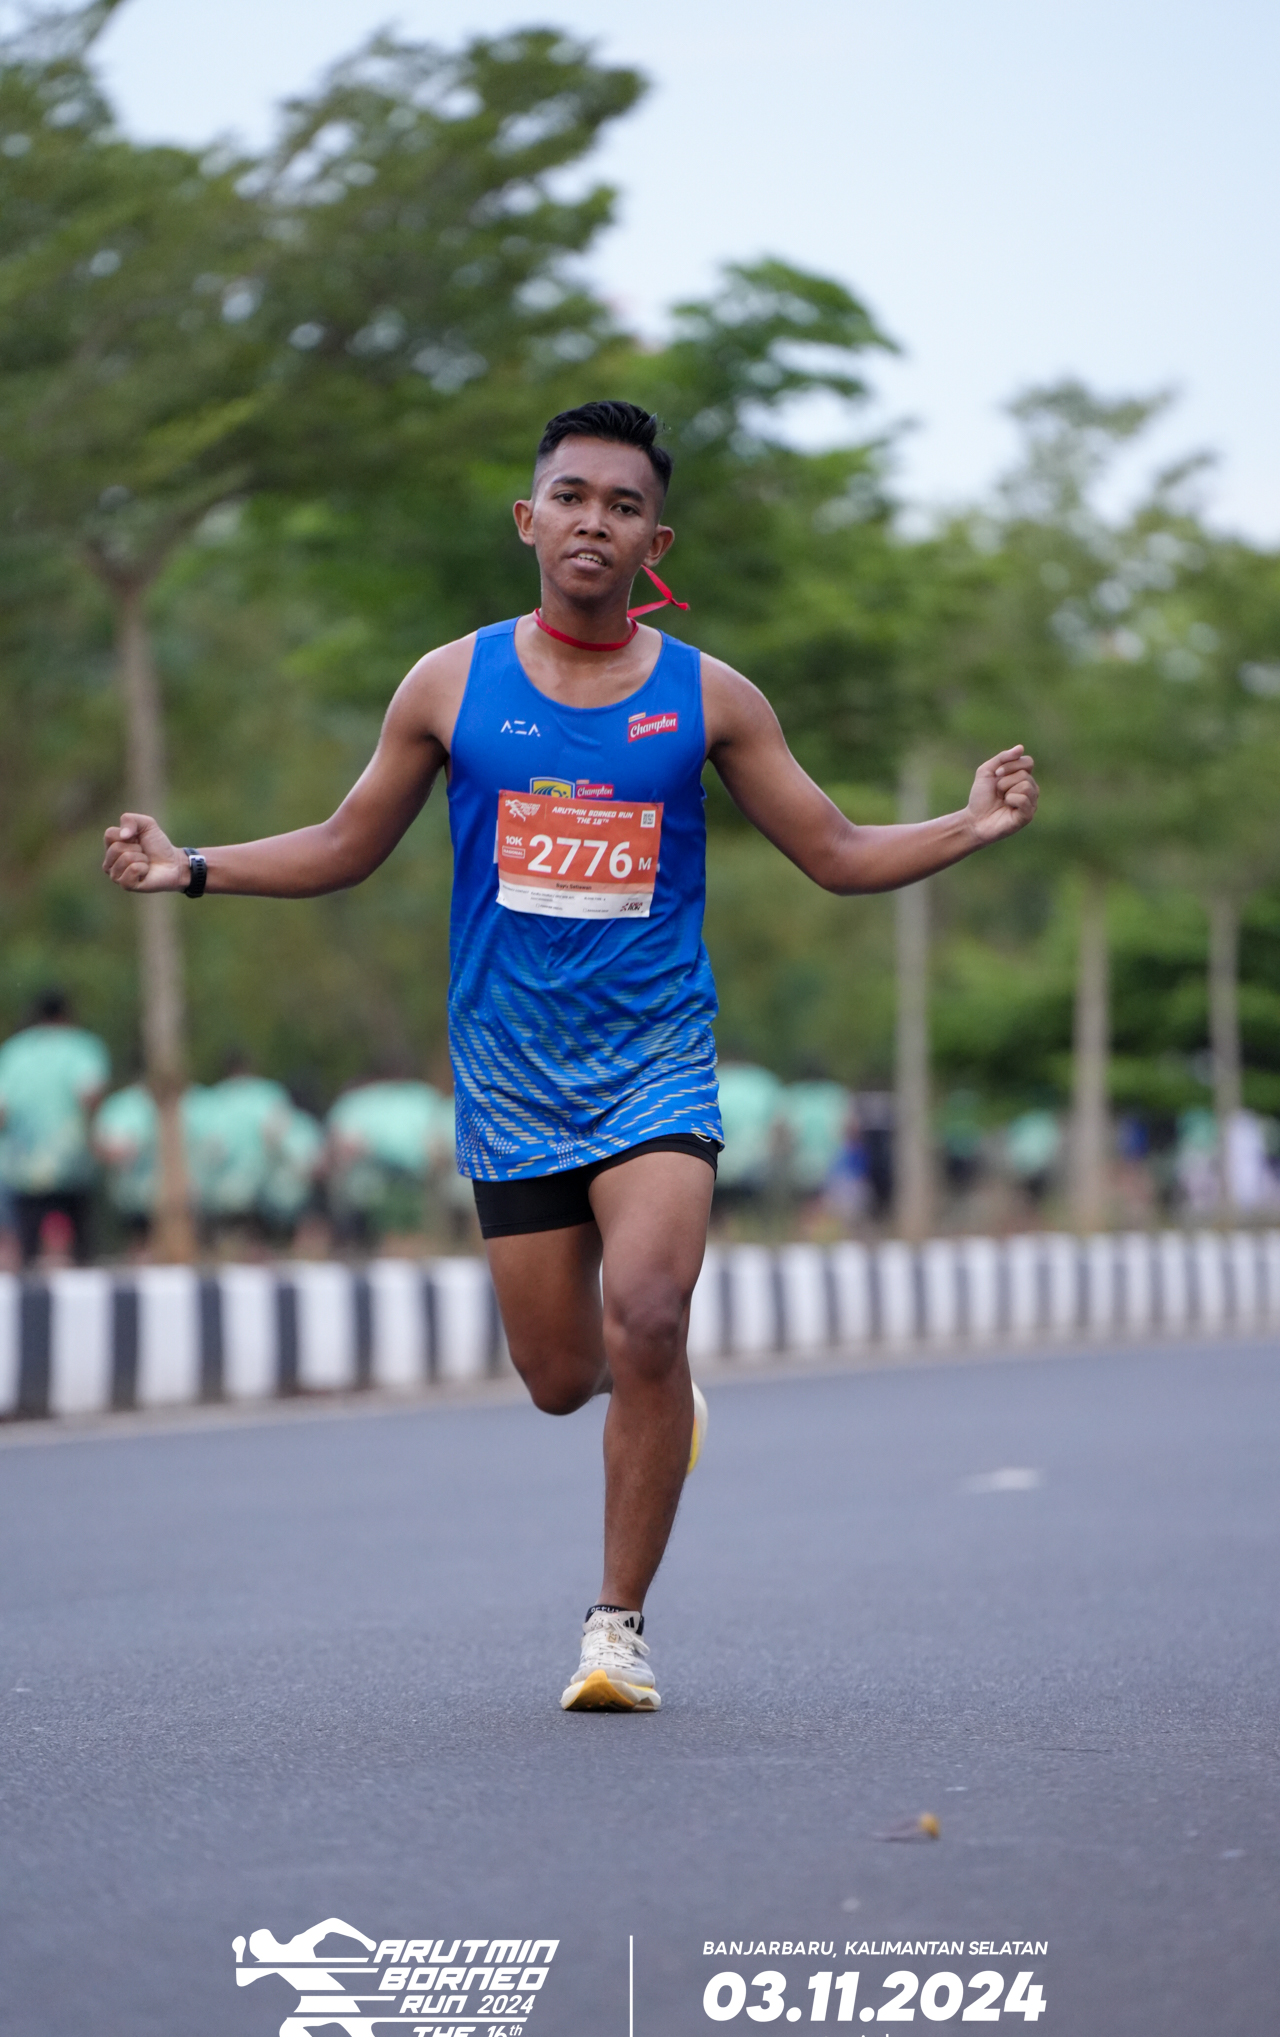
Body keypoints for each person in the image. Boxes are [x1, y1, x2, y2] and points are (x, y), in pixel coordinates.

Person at [102, 399, 1038, 1712]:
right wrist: (192, 866)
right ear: (528, 520)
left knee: (648, 1309)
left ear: (657, 539)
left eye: (623, 504)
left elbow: (832, 852)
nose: (595, 521)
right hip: (509, 1075)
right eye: (572, 497)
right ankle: (661, 1399)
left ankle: (615, 1629)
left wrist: (964, 826)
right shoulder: (448, 684)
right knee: (559, 1378)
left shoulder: (709, 698)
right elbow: (345, 843)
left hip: (657, 1060)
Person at [0, 990, 110, 1265]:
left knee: (27, 1247)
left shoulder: (14, 1052)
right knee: (82, 1247)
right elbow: (90, 1094)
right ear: (66, 1016)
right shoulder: (81, 1046)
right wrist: (94, 1134)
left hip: (24, 1168)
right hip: (74, 1163)